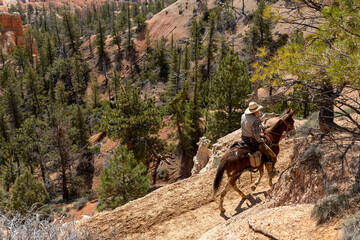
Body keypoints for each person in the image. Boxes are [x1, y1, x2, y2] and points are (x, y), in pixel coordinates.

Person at [241, 102, 277, 177]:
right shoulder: (255, 120)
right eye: (258, 110)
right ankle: (270, 172)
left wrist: (262, 126)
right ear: (255, 111)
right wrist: (261, 140)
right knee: (267, 152)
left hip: (244, 138)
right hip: (252, 141)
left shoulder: (243, 116)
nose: (258, 112)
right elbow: (257, 137)